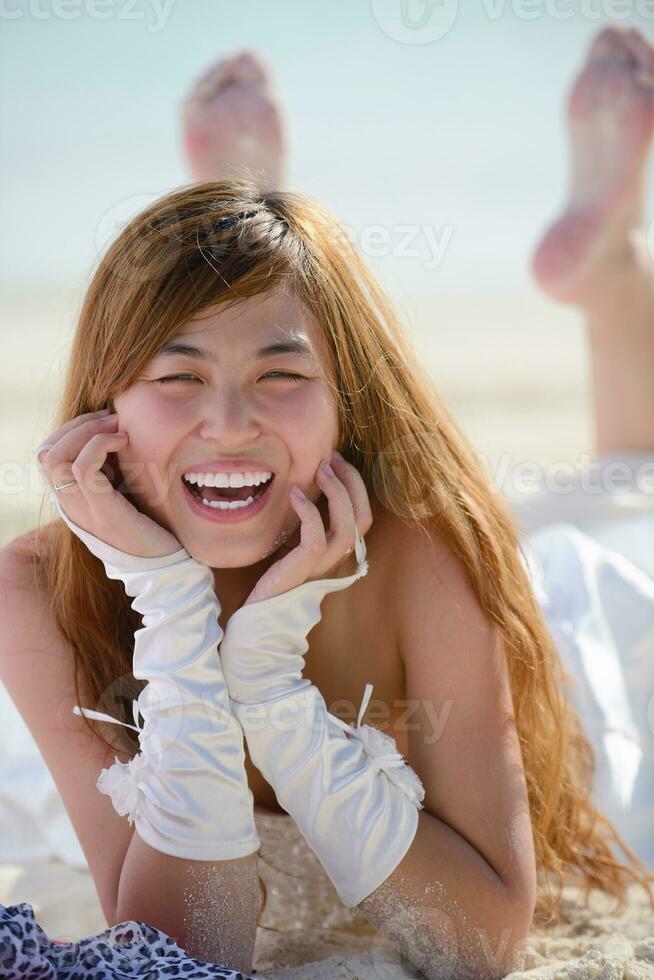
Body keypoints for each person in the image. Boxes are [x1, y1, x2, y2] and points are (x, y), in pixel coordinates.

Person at [1, 25, 653, 980]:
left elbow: (477, 948)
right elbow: (181, 958)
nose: (227, 424)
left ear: (350, 403)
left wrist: (272, 689)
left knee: (629, 490)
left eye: (281, 373)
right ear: (106, 406)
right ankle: (250, 237)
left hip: (571, 661)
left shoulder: (424, 550)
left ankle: (610, 273)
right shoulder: (35, 591)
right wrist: (178, 616)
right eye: (176, 376)